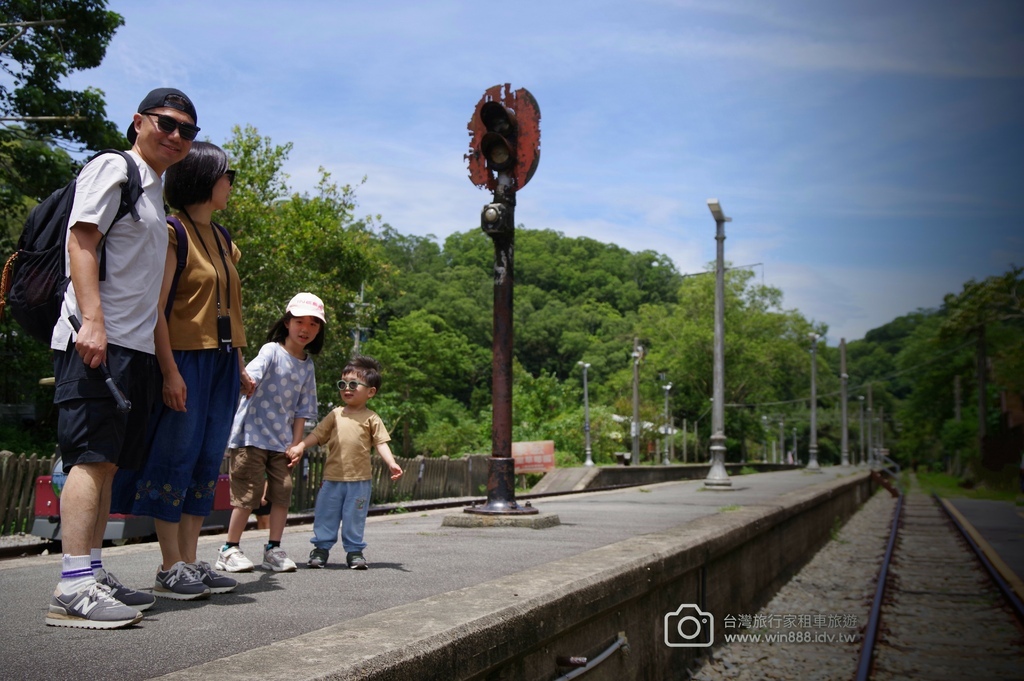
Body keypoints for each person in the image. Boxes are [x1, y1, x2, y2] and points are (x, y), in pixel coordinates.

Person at [45, 88, 199, 629]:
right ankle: (72, 586)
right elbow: (81, 240)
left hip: (131, 350)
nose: (176, 136)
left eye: (187, 130)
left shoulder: (155, 194)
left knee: (107, 460)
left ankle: (91, 569)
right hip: (96, 342)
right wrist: (92, 320)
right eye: (166, 123)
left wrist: (160, 364)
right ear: (138, 121)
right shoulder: (116, 167)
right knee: (89, 457)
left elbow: (148, 293)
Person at [111, 141, 253, 601]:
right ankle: (169, 565)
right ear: (206, 179)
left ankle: (191, 561)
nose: (231, 183)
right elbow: (156, 309)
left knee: (206, 460)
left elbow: (227, 308)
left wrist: (239, 364)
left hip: (222, 361)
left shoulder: (225, 239)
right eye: (226, 175)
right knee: (175, 455)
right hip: (184, 360)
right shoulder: (175, 232)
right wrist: (170, 372)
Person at [216, 293, 325, 573]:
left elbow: (304, 408)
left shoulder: (307, 365)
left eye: (313, 324)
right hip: (251, 435)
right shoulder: (271, 350)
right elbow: (253, 373)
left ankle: (273, 548)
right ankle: (229, 549)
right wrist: (246, 381)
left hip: (280, 441)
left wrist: (296, 443)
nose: (306, 329)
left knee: (283, 491)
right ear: (287, 322)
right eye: (299, 321)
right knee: (248, 494)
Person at [287, 355, 403, 570]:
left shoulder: (372, 418)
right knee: (325, 515)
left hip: (360, 481)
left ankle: (355, 551)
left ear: (371, 392)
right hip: (332, 479)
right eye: (342, 384)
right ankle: (321, 549)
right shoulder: (335, 414)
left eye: (353, 384)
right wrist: (301, 446)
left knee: (354, 518)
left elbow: (381, 444)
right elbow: (318, 435)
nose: (346, 388)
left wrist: (391, 463)